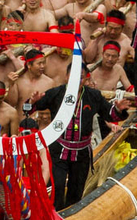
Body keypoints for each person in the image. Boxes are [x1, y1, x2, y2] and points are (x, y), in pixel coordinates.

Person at [29, 62, 129, 210]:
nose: (77, 80)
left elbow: (109, 114)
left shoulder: (93, 95)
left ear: (86, 78)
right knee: (57, 185)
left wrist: (119, 110)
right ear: (66, 76)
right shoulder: (56, 93)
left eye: (80, 77)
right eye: (73, 76)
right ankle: (55, 215)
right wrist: (32, 102)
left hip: (81, 152)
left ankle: (71, 217)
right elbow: (29, 108)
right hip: (59, 149)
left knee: (76, 190)